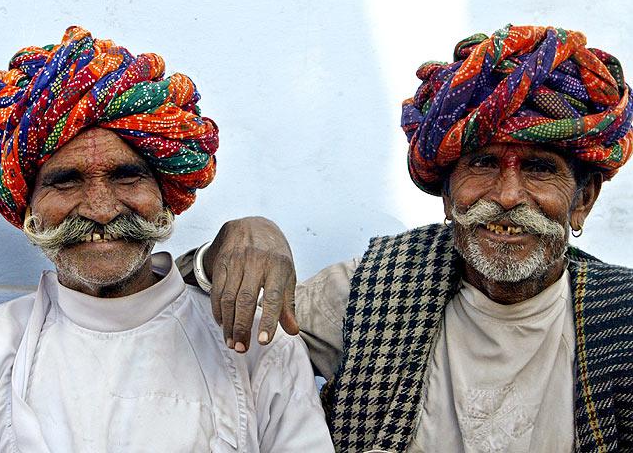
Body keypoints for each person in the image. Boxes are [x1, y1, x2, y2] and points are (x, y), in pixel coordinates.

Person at [187, 25, 633, 452]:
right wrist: (233, 242)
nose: (508, 196)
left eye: (538, 168)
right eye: (482, 163)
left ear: (583, 199)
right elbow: (196, 339)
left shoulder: (620, 318)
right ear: (446, 192)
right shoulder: (370, 291)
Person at [0, 27, 333, 452]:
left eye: (126, 175)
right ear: (28, 206)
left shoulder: (255, 346)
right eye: (66, 181)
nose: (100, 209)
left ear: (165, 194)